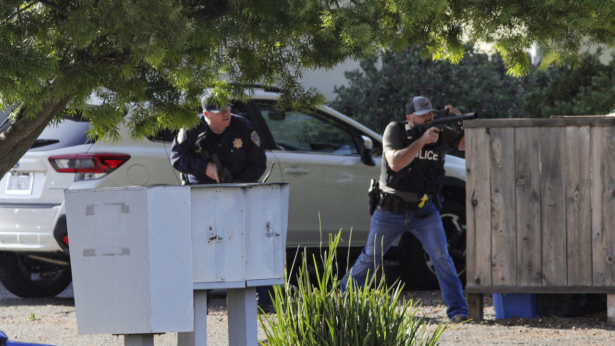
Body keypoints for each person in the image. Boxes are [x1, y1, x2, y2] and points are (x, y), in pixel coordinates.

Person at [340, 96, 469, 323]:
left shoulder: (439, 133)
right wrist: (421, 141)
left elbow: (471, 143)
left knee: (442, 258)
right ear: (410, 117)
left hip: (424, 210)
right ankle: (343, 301)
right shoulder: (396, 130)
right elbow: (395, 163)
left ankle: (458, 311)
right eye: (423, 115)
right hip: (391, 209)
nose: (428, 118)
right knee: (371, 257)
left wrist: (459, 121)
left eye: (430, 114)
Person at [171, 93, 274, 313]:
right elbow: (177, 158)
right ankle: (195, 303)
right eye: (220, 111)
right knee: (203, 248)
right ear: (206, 114)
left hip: (237, 195)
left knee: (248, 244)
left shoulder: (244, 129)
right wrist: (204, 167)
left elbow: (259, 164)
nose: (227, 113)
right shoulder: (191, 128)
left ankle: (264, 299)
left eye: (228, 108)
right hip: (202, 195)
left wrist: (237, 183)